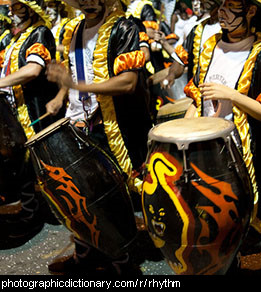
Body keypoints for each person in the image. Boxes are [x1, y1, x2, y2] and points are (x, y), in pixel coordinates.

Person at [45, 0, 153, 275]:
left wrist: (77, 86)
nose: (87, 1)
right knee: (82, 194)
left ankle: (123, 262)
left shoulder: (124, 29)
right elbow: (73, 70)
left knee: (112, 197)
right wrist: (61, 96)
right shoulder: (73, 30)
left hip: (112, 125)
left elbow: (128, 82)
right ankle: (87, 255)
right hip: (77, 122)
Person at [184, 0, 261, 242]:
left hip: (243, 160)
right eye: (220, 4)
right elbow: (197, 100)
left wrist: (233, 96)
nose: (220, 11)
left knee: (237, 237)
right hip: (206, 153)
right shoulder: (211, 46)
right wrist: (182, 134)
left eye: (229, 4)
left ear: (251, 11)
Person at [0, 0, 65, 248]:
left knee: (40, 165)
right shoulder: (17, 38)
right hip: (15, 111)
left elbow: (32, 70)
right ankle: (30, 213)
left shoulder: (40, 32)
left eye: (16, 7)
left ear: (31, 8)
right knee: (22, 166)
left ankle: (42, 216)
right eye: (10, 7)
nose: (10, 12)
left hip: (34, 109)